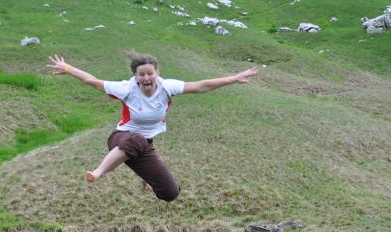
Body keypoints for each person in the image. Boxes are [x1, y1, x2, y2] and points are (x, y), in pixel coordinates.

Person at [47, 52, 258, 202]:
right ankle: (98, 172)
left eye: (150, 73)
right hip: (121, 137)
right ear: (135, 76)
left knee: (170, 193)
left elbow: (201, 86)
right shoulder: (126, 88)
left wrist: (234, 78)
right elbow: (92, 81)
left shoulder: (167, 87)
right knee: (137, 140)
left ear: (157, 72)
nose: (146, 78)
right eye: (141, 74)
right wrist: (68, 69)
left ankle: (145, 178)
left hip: (143, 145)